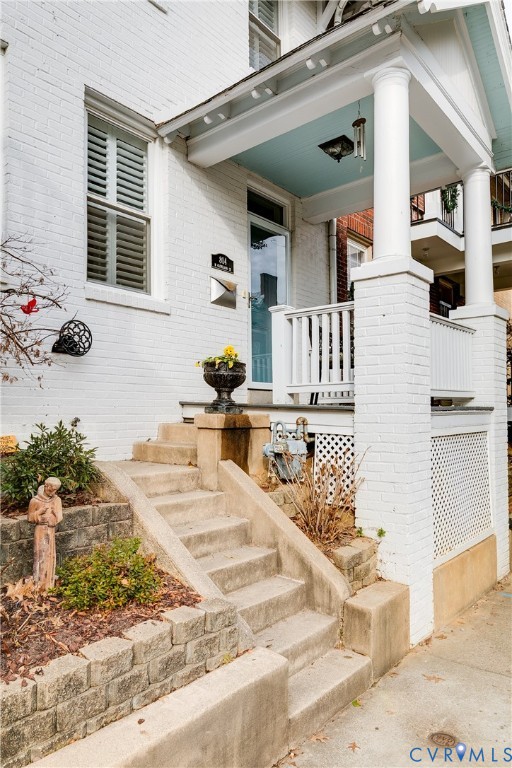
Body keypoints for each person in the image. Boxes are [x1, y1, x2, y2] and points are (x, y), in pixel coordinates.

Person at [27, 477, 63, 589]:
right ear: (46, 486)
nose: (53, 493)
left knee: (50, 554)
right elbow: (30, 518)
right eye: (51, 490)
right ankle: (39, 583)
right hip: (40, 531)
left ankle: (49, 583)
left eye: (55, 490)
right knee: (40, 555)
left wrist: (54, 517)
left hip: (50, 530)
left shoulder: (57, 500)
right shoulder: (35, 500)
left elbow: (60, 516)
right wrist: (39, 513)